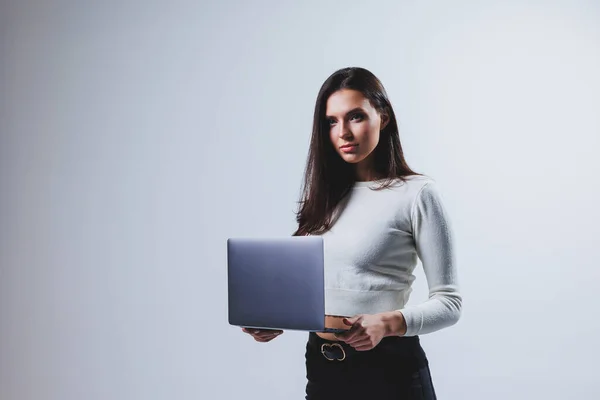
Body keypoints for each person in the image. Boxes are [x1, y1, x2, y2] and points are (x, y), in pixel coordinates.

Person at [241, 67, 462, 399]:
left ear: (383, 117)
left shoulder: (417, 194)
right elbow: (321, 288)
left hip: (390, 371)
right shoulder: (322, 199)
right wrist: (275, 318)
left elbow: (449, 303)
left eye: (355, 117)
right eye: (332, 121)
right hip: (322, 367)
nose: (343, 132)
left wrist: (386, 323)